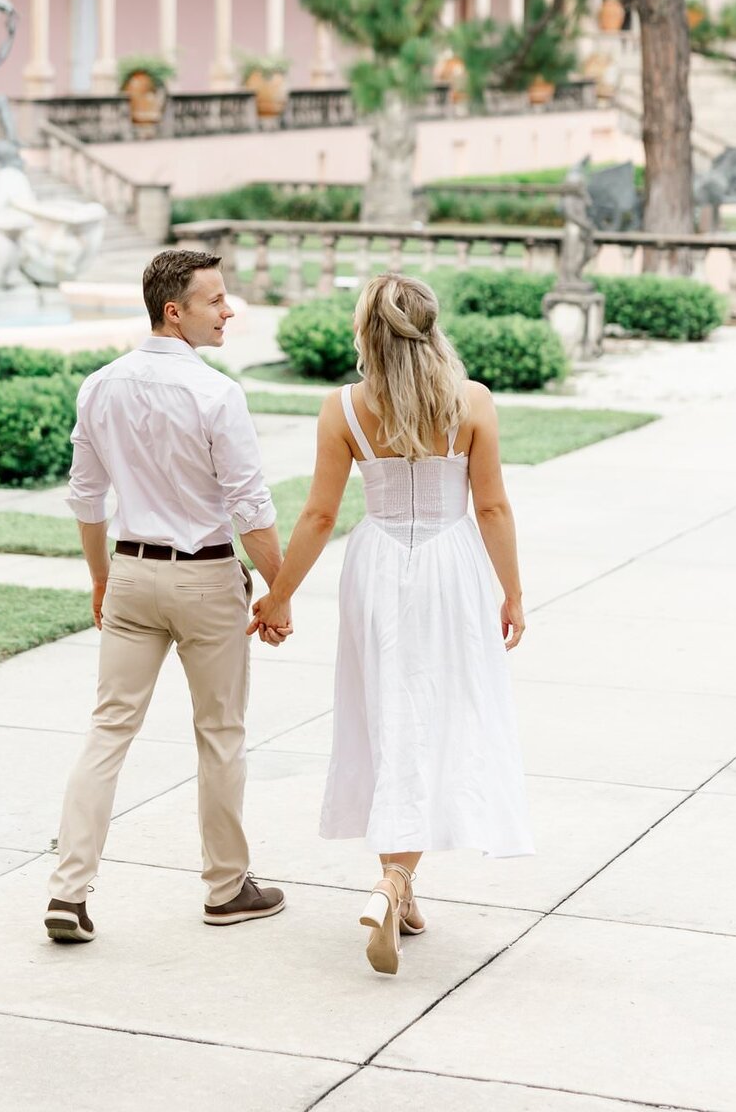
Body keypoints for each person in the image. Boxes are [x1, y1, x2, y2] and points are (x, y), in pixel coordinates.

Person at [251, 272, 533, 976]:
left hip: (376, 566)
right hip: (451, 566)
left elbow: (318, 515)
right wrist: (514, 593)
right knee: (434, 718)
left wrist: (280, 595)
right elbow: (492, 508)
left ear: (366, 333)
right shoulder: (470, 403)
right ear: (433, 326)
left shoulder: (344, 407)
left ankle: (398, 891)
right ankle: (395, 882)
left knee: (386, 714)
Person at [46, 248, 290, 945]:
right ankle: (225, 888)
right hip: (207, 578)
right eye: (216, 300)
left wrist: (101, 576)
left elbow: (87, 498)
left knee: (107, 731)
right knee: (220, 735)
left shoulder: (99, 386)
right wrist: (279, 593)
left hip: (130, 572)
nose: (229, 310)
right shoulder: (217, 394)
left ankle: (68, 890)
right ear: (173, 310)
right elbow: (250, 508)